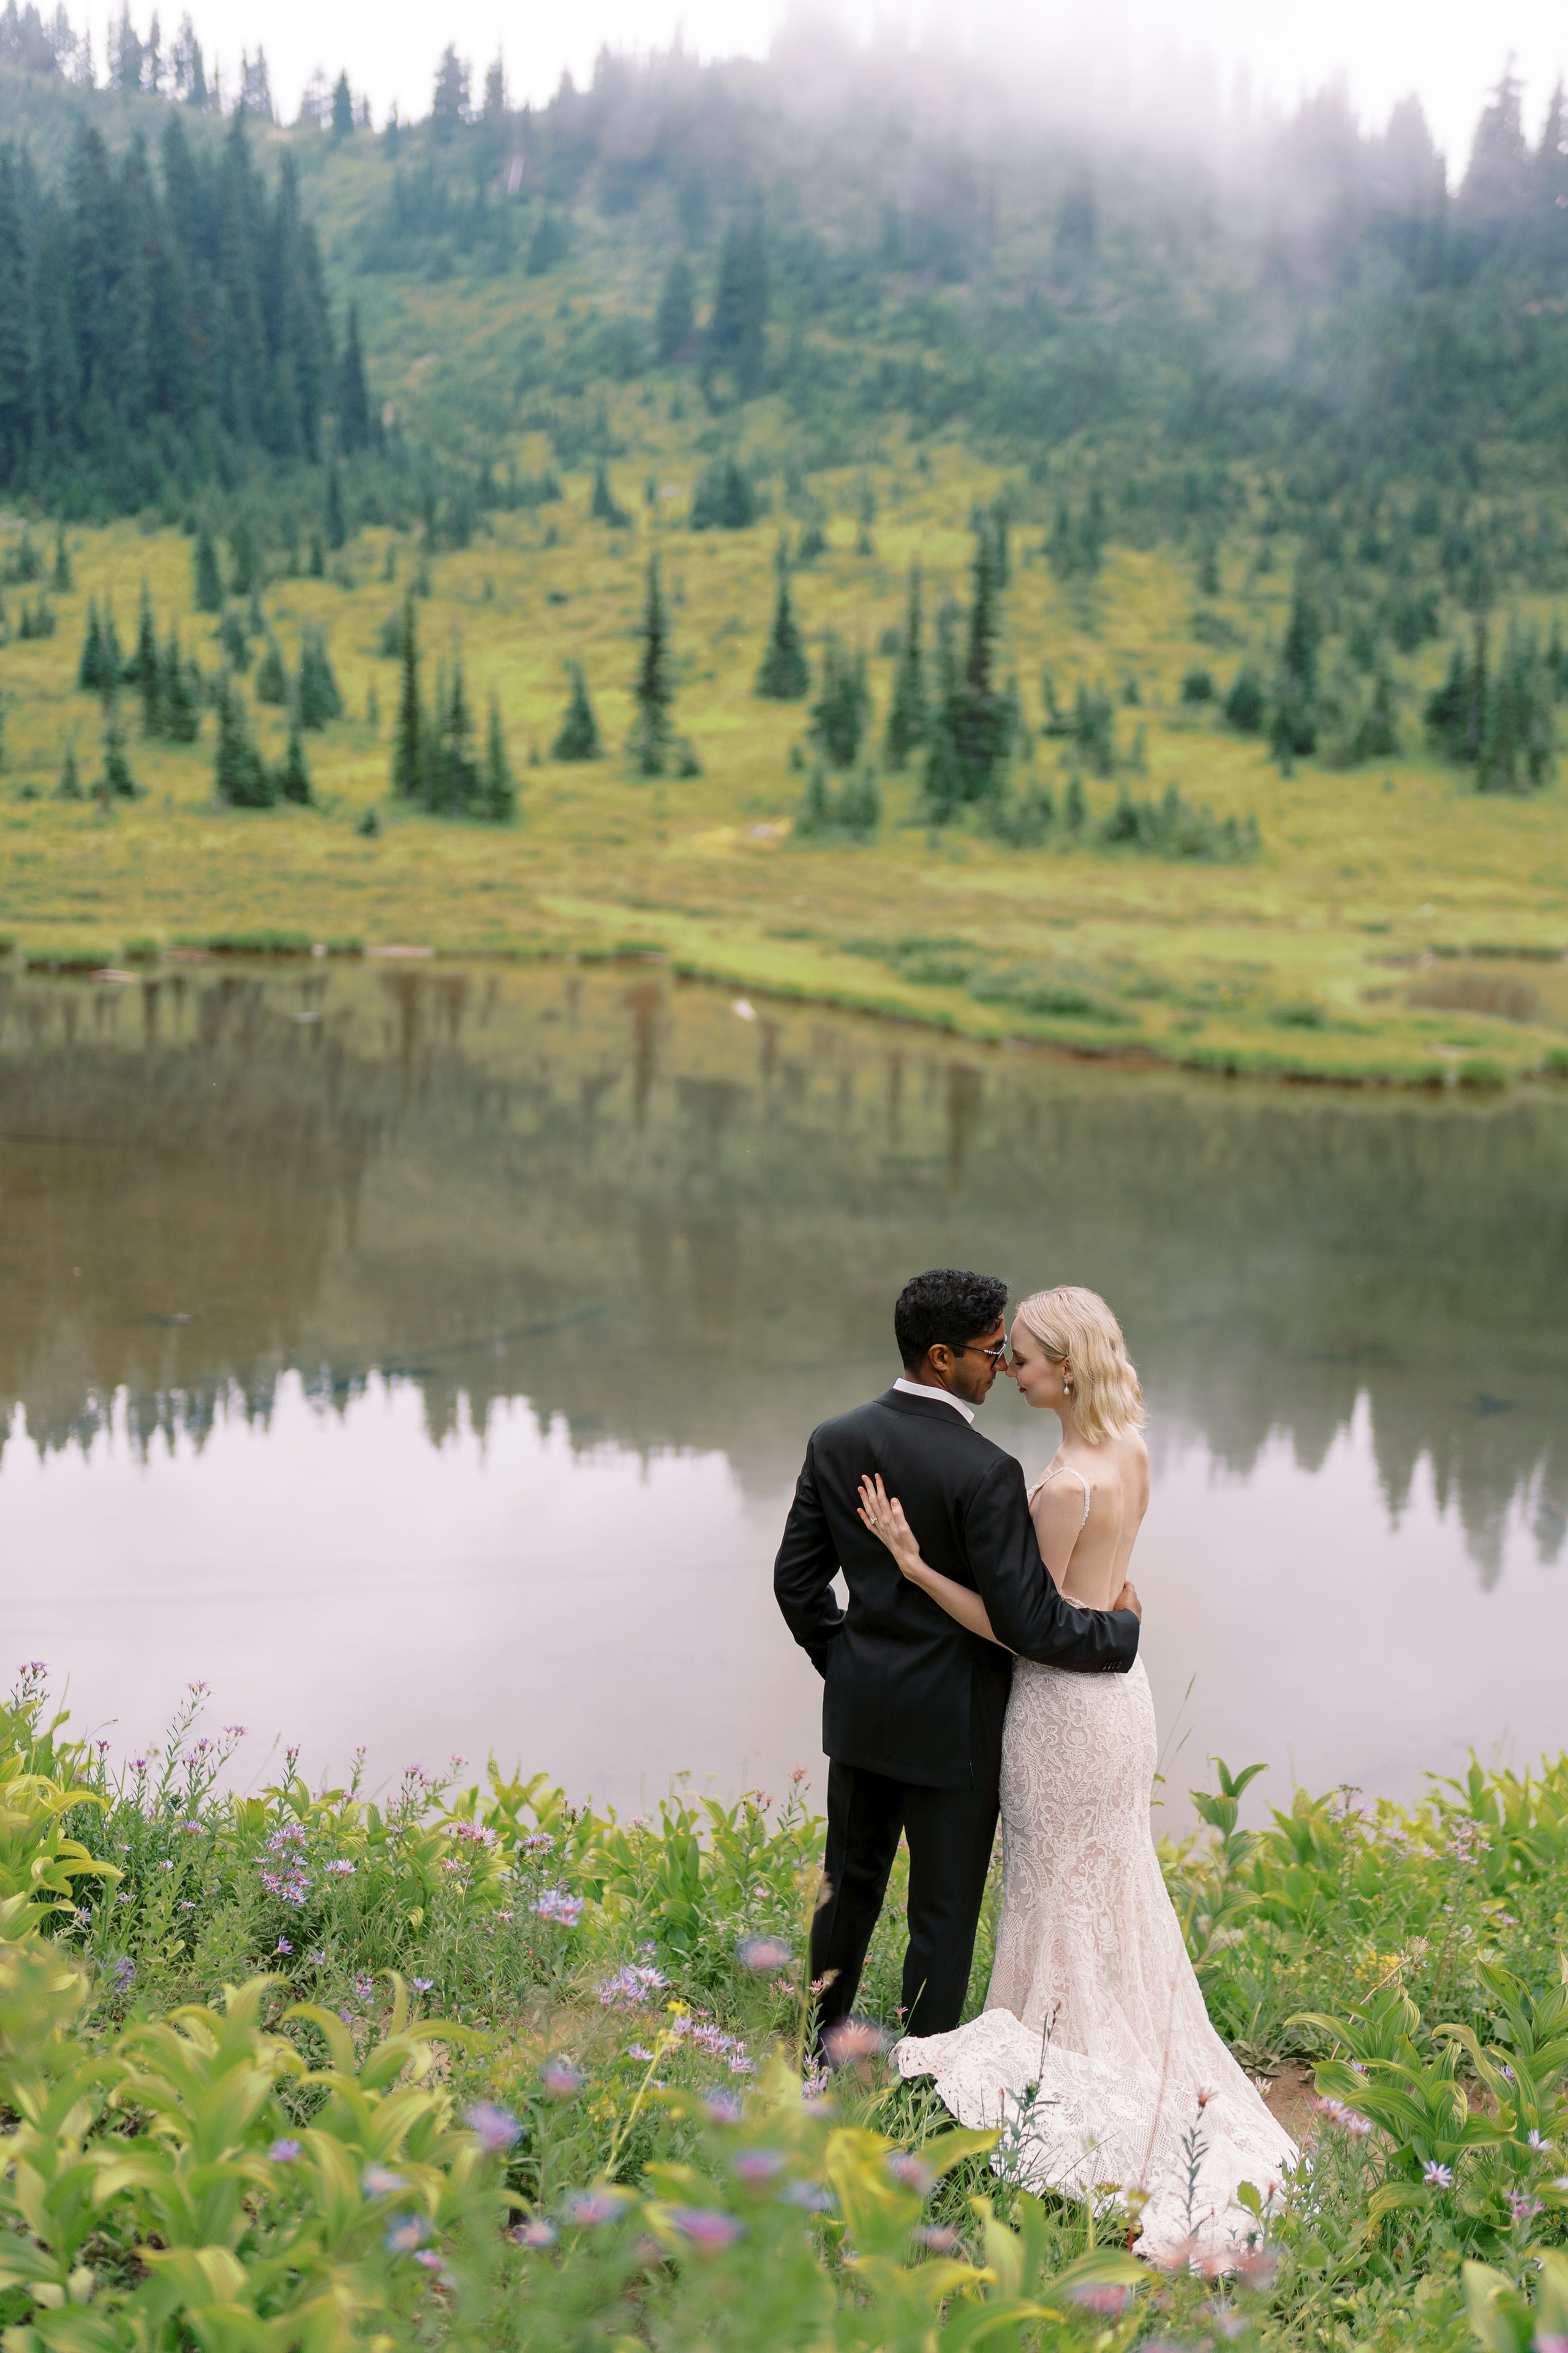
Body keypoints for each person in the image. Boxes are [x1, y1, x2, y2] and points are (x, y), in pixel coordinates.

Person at [856, 1283, 1297, 2267]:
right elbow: (1101, 1596)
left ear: (1068, 1366)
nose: (1009, 1366)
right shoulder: (1132, 1448)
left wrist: (914, 1564)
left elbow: (1024, 1628)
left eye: (1027, 1358)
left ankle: (1064, 2063)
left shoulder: (1061, 1488)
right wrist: (1119, 1618)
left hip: (1062, 1709)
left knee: (1056, 1882)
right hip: (1122, 1696)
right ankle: (1107, 2034)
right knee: (1111, 1879)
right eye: (1005, 1354)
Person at [772, 1267, 1142, 2048]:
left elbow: (795, 1582)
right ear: (942, 1357)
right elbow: (1029, 1622)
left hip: (864, 1712)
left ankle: (815, 2046)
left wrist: (845, 1662)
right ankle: (924, 2077)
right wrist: (1121, 1636)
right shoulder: (986, 1472)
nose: (1001, 1365)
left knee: (846, 1890)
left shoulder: (835, 1439)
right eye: (990, 1349)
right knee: (940, 1915)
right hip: (958, 1727)